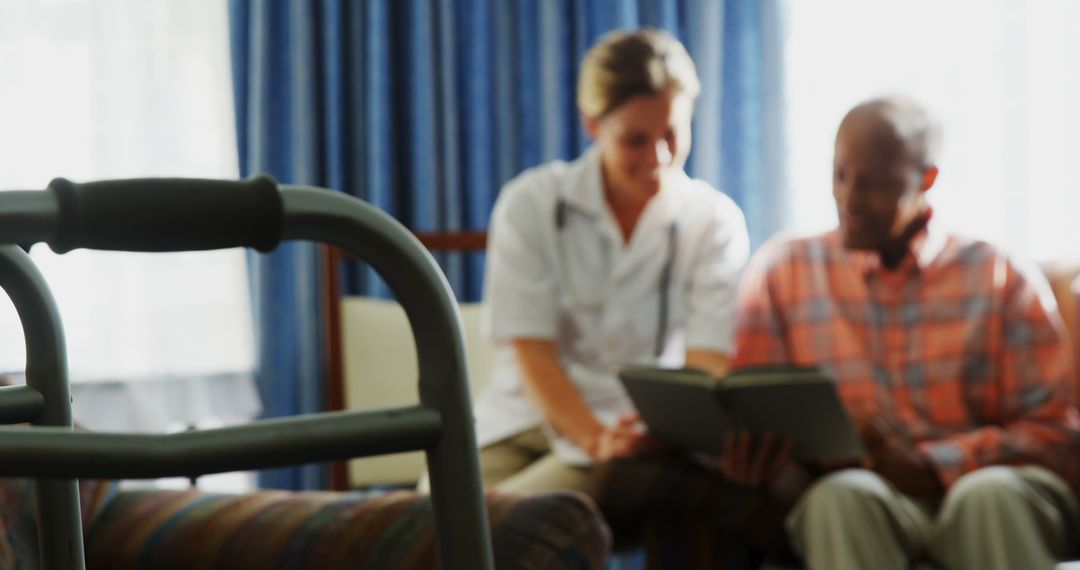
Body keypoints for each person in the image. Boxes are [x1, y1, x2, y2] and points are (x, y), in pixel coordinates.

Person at [734, 95, 1080, 569]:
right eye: (840, 175)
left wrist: (936, 465)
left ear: (927, 179)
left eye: (873, 185)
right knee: (842, 498)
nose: (849, 200)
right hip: (865, 496)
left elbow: (1057, 432)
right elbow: (754, 407)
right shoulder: (781, 272)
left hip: (992, 488)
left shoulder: (999, 276)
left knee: (989, 496)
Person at [471, 27, 750, 493]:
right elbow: (533, 354)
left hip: (637, 431)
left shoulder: (713, 222)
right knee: (429, 520)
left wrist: (642, 434)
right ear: (592, 124)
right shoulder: (531, 204)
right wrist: (595, 438)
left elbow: (706, 362)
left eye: (672, 134)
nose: (658, 157)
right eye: (635, 140)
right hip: (520, 419)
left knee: (507, 524)